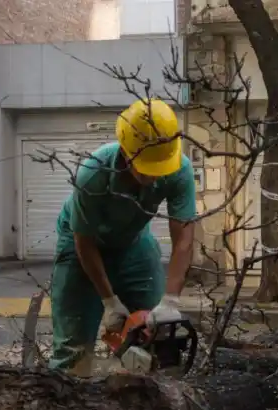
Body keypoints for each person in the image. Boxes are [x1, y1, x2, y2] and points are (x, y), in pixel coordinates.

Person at [49, 98, 197, 376]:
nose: (154, 177)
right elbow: (85, 241)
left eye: (159, 170)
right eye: (147, 170)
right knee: (73, 349)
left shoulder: (179, 169)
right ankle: (66, 396)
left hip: (133, 240)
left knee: (157, 335)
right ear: (128, 154)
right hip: (81, 243)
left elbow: (184, 238)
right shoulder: (94, 173)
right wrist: (109, 301)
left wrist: (171, 300)